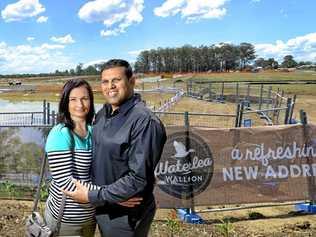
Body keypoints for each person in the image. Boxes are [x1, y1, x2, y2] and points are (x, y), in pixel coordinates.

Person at [64, 59, 167, 237]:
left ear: (131, 82)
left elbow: (137, 179)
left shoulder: (144, 122)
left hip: (125, 216)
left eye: (116, 80)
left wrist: (93, 196)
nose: (110, 86)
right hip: (106, 206)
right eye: (105, 81)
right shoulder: (103, 113)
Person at [45, 79, 140, 237]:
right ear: (65, 103)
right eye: (73, 99)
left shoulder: (94, 130)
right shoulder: (60, 133)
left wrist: (141, 172)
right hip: (66, 220)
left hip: (91, 215)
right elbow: (65, 182)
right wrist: (113, 196)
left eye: (85, 98)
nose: (80, 105)